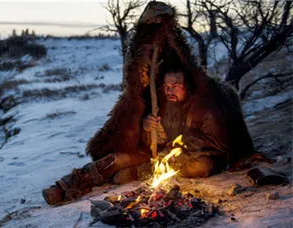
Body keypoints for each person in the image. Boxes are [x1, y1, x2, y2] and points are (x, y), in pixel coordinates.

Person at [42, 68, 236, 205]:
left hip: (193, 158)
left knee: (201, 166)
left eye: (176, 85)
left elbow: (216, 144)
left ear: (187, 87)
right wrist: (147, 129)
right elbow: (153, 143)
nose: (169, 90)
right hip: (159, 155)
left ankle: (138, 172)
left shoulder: (205, 110)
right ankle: (68, 185)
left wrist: (179, 148)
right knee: (116, 160)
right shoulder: (163, 106)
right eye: (167, 86)